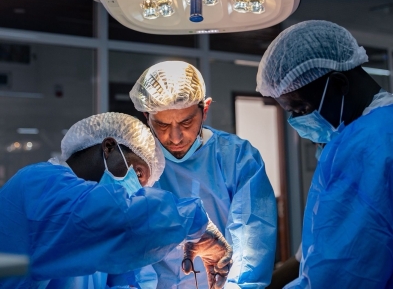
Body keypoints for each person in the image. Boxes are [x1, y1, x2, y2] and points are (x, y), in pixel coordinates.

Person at [0, 112, 232, 289]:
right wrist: (195, 220)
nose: (134, 191)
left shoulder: (93, 231)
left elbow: (124, 275)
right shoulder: (39, 184)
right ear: (109, 147)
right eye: (138, 174)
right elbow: (120, 218)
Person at [257, 20, 393, 288]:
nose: (297, 121)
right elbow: (314, 252)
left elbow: (342, 273)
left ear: (340, 84)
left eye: (301, 108)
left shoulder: (365, 145)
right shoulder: (374, 129)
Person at [129, 61, 277, 289]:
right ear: (146, 116)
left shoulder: (238, 158)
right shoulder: (135, 165)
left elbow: (251, 243)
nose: (175, 137)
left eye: (186, 122)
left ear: (205, 109)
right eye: (162, 124)